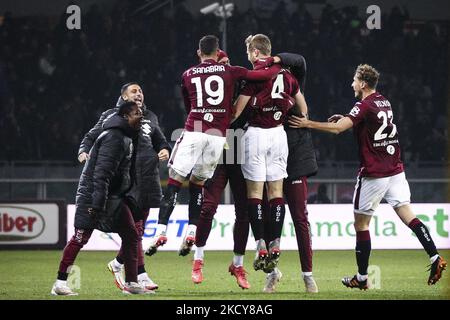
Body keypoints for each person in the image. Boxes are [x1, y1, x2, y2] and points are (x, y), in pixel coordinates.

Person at [289, 64, 447, 288]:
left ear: (363, 83)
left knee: (361, 225)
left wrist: (307, 123)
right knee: (409, 217)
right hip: (396, 170)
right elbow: (370, 122)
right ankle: (434, 256)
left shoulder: (363, 105)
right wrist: (347, 117)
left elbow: (338, 129)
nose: (351, 83)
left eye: (354, 80)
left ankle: (362, 278)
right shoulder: (384, 101)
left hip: (375, 174)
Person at [145, 35, 282, 257]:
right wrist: (278, 61)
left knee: (175, 181)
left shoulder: (188, 74)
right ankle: (192, 233)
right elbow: (263, 75)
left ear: (199, 53)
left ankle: (161, 230)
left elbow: (189, 106)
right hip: (219, 136)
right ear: (219, 53)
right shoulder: (232, 72)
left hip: (199, 131)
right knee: (199, 185)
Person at [52, 102, 153, 295]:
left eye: (141, 113)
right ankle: (59, 283)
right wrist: (97, 204)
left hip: (113, 197)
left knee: (131, 235)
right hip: (94, 196)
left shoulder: (125, 137)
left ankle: (131, 283)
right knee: (80, 238)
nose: (141, 116)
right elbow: (101, 174)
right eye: (137, 113)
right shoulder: (114, 137)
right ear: (125, 117)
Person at [78, 82, 170, 291]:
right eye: (134, 91)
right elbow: (91, 136)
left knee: (139, 230)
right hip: (126, 180)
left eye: (140, 91)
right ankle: (140, 273)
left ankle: (119, 264)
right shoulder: (111, 116)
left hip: (147, 178)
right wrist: (84, 150)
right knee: (134, 230)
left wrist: (165, 149)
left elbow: (161, 141)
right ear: (124, 97)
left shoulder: (151, 117)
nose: (139, 93)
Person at [233, 34, 303, 273]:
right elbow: (303, 108)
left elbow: (236, 112)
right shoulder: (287, 74)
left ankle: (260, 244)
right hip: (279, 135)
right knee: (276, 193)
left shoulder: (254, 76)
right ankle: (276, 243)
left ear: (254, 52)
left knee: (254, 193)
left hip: (256, 134)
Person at [261, 54, 319, 293]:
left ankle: (308, 276)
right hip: (270, 156)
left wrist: (276, 58)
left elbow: (301, 61)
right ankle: (272, 273)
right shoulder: (260, 81)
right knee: (268, 217)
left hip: (295, 158)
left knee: (299, 218)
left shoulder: (291, 79)